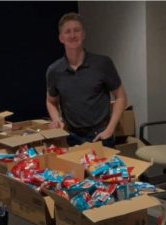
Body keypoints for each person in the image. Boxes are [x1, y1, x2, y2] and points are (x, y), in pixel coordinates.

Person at [46, 12, 128, 147]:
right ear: (61, 38)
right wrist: (57, 120)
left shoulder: (103, 63)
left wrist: (110, 128)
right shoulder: (54, 71)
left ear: (83, 34)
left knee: (104, 169)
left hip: (101, 135)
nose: (72, 35)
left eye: (77, 30)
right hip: (72, 137)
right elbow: (51, 101)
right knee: (75, 169)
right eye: (68, 31)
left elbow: (121, 97)